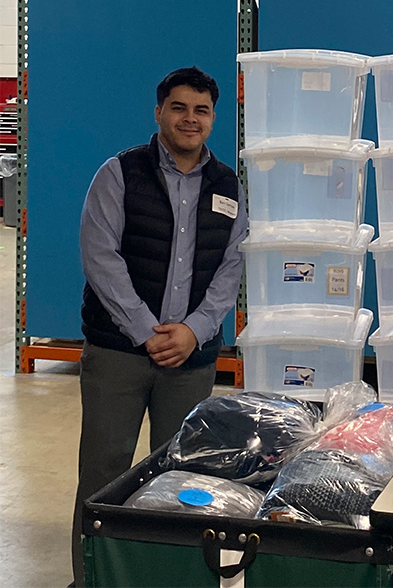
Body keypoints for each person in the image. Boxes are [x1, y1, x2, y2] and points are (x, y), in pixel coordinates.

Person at [71, 67, 247, 587]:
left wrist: (194, 330)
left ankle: (164, 577)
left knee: (182, 481)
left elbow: (230, 269)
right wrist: (146, 329)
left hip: (190, 363)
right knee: (103, 475)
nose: (189, 119)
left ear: (213, 119)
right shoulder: (119, 173)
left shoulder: (228, 185)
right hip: (118, 356)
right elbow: (99, 256)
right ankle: (91, 580)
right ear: (159, 113)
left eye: (201, 110)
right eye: (179, 107)